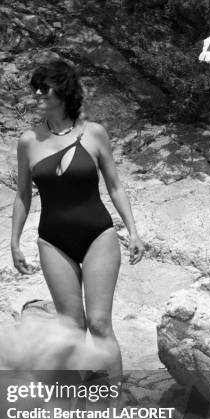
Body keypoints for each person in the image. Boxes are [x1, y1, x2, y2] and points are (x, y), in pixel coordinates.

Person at [11, 60, 145, 379]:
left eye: (46, 87)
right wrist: (14, 241)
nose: (38, 92)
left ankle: (114, 407)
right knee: (72, 329)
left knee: (99, 324)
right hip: (53, 241)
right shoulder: (28, 141)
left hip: (98, 235)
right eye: (36, 87)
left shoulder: (94, 133)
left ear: (65, 90)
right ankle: (79, 408)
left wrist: (134, 232)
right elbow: (22, 194)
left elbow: (115, 185)